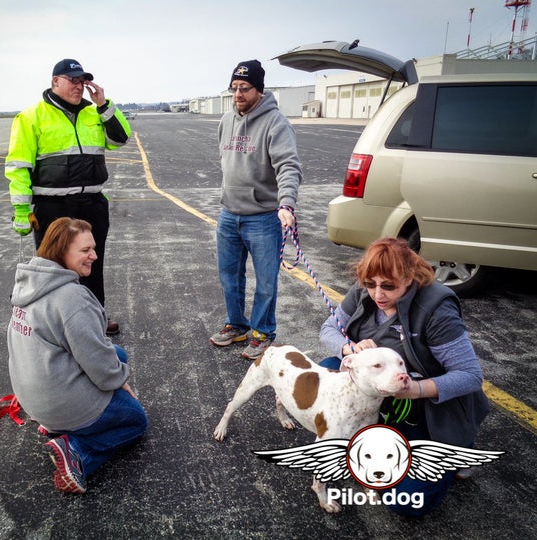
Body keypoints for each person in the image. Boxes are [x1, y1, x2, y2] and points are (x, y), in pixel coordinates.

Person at [319, 237, 490, 516]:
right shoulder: (366, 289)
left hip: (428, 405)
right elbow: (328, 329)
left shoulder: (436, 309)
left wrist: (414, 389)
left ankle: (458, 447)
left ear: (409, 276)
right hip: (382, 390)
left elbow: (470, 376)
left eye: (388, 286)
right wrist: (350, 348)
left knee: (404, 501)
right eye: (370, 284)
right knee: (330, 365)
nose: (378, 294)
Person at [7, 217, 148, 494]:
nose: (94, 255)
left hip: (33, 398)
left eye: (93, 248)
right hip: (58, 402)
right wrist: (120, 381)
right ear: (61, 252)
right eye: (85, 250)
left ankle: (55, 425)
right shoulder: (71, 298)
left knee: (116, 353)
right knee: (135, 420)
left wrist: (115, 370)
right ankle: (78, 452)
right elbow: (101, 365)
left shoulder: (28, 285)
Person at [5, 58, 131, 335]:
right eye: (72, 80)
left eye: (82, 80)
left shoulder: (93, 113)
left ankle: (95, 318)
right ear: (55, 82)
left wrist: (104, 105)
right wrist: (22, 211)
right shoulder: (31, 116)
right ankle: (53, 323)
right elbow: (18, 167)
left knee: (91, 263)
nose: (78, 86)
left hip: (92, 203)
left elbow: (121, 139)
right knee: (54, 267)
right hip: (54, 206)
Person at [210, 59, 303, 360]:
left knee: (266, 280)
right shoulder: (226, 121)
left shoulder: (276, 123)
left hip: (263, 218)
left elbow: (289, 166)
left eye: (245, 88)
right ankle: (236, 325)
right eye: (234, 88)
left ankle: (263, 332)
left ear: (259, 90)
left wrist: (286, 203)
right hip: (229, 214)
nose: (238, 94)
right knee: (229, 275)